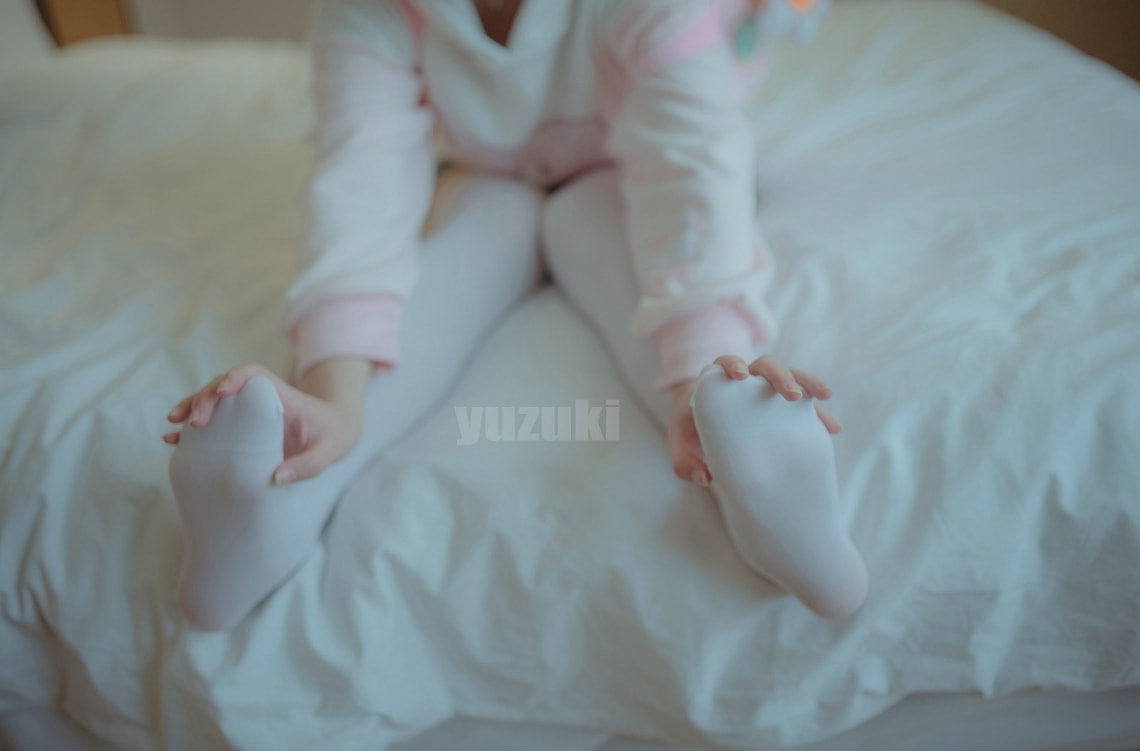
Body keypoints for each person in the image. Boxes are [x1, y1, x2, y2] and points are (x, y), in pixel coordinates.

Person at [163, 0, 867, 631]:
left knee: (598, 219)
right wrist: (333, 395)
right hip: (498, 172)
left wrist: (703, 365)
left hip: (637, 153)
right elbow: (361, 188)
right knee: (498, 217)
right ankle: (288, 490)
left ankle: (731, 432)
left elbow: (691, 173)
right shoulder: (372, 12)